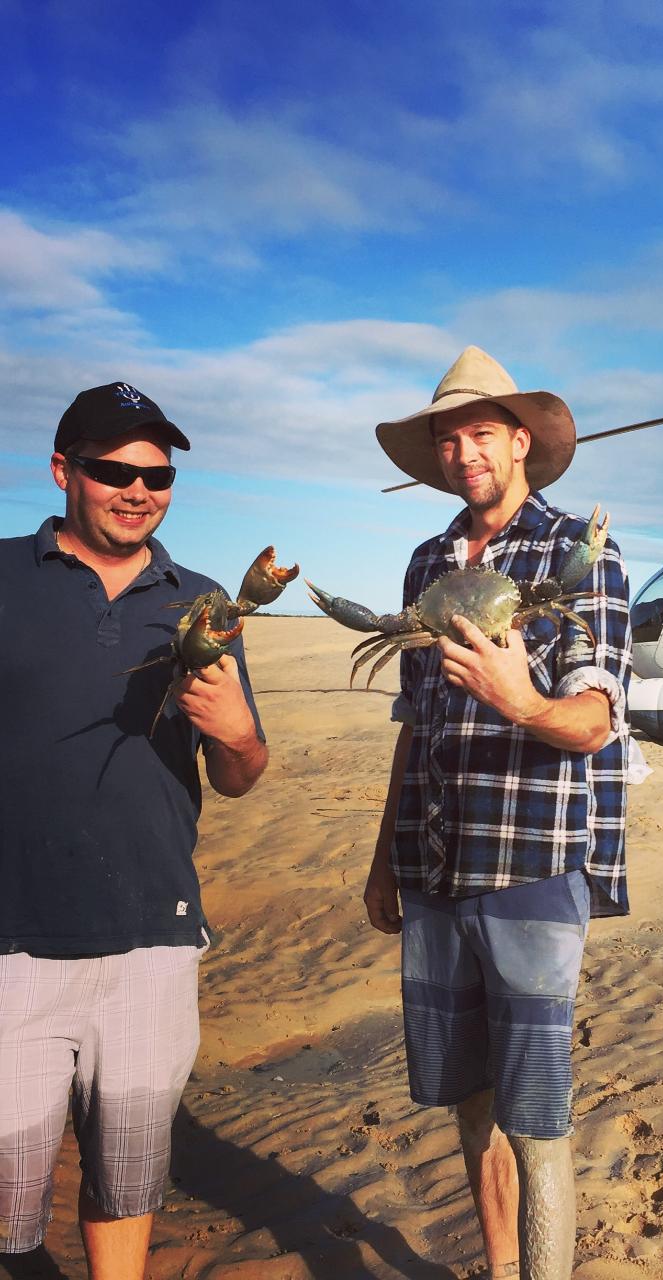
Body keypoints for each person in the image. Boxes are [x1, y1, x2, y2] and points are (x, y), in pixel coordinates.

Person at [367, 347, 632, 1280]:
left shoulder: (576, 556)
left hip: (529, 870)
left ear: (521, 441)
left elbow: (597, 719)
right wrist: (381, 859)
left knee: (537, 1118)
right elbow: (414, 722)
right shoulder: (427, 562)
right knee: (469, 1105)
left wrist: (521, 700)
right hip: (432, 870)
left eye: (482, 432)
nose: (465, 451)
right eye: (450, 437)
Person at [0, 383, 269, 1278]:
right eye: (113, 469)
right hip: (12, 945)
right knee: (9, 1209)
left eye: (158, 475)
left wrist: (236, 730)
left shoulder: (203, 602)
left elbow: (240, 775)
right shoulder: (2, 577)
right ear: (61, 470)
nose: (138, 489)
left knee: (127, 1184)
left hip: (153, 943)